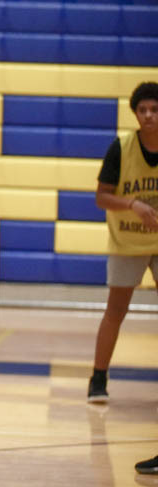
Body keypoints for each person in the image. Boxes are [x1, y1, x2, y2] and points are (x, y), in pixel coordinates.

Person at [87, 81, 158, 405]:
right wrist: (133, 205)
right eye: (143, 110)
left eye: (154, 110)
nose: (148, 115)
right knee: (116, 310)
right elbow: (101, 197)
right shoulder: (121, 147)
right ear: (135, 113)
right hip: (128, 239)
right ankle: (98, 378)